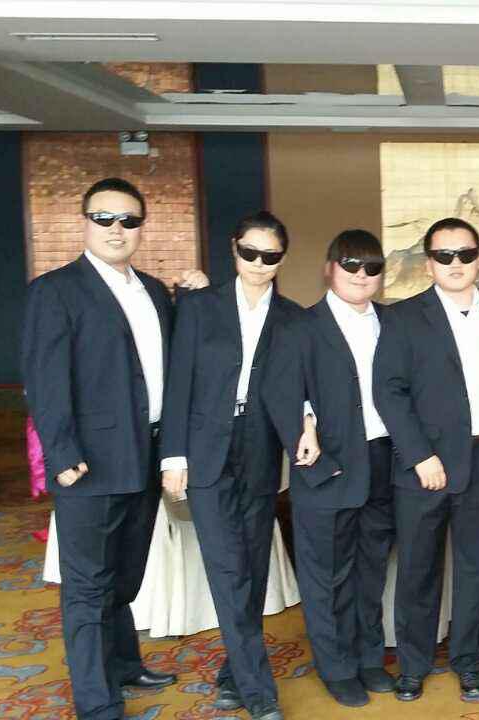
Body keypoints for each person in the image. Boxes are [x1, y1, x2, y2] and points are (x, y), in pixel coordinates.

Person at [21, 177, 179, 720]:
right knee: (87, 586)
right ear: (85, 223)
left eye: (129, 220)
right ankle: (97, 702)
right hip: (87, 463)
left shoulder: (154, 291)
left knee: (126, 576)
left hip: (147, 455)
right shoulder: (55, 290)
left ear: (141, 228)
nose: (117, 229)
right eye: (105, 218)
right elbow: (44, 380)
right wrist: (61, 453)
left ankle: (124, 664)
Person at [159, 210, 302, 720]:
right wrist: (173, 457)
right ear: (233, 248)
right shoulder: (200, 308)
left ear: (282, 258)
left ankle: (232, 675)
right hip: (205, 450)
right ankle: (259, 694)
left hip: (260, 450)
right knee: (227, 568)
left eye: (271, 255)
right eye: (250, 252)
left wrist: (306, 424)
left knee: (253, 568)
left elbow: (300, 386)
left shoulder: (293, 317)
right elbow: (179, 383)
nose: (259, 263)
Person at [261, 229, 398, 709]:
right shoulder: (300, 326)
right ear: (329, 269)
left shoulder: (392, 322)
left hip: (383, 462)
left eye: (371, 267)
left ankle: (368, 658)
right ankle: (336, 667)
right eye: (350, 264)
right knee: (328, 576)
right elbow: (281, 391)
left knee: (371, 571)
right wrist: (306, 423)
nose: (361, 275)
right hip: (327, 465)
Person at [373, 217, 479, 702]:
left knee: (477, 569)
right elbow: (389, 391)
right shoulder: (403, 317)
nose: (455, 263)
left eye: (465, 254)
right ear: (429, 263)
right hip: (424, 467)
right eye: (444, 255)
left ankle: (471, 661)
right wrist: (419, 455)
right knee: (418, 570)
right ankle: (413, 664)